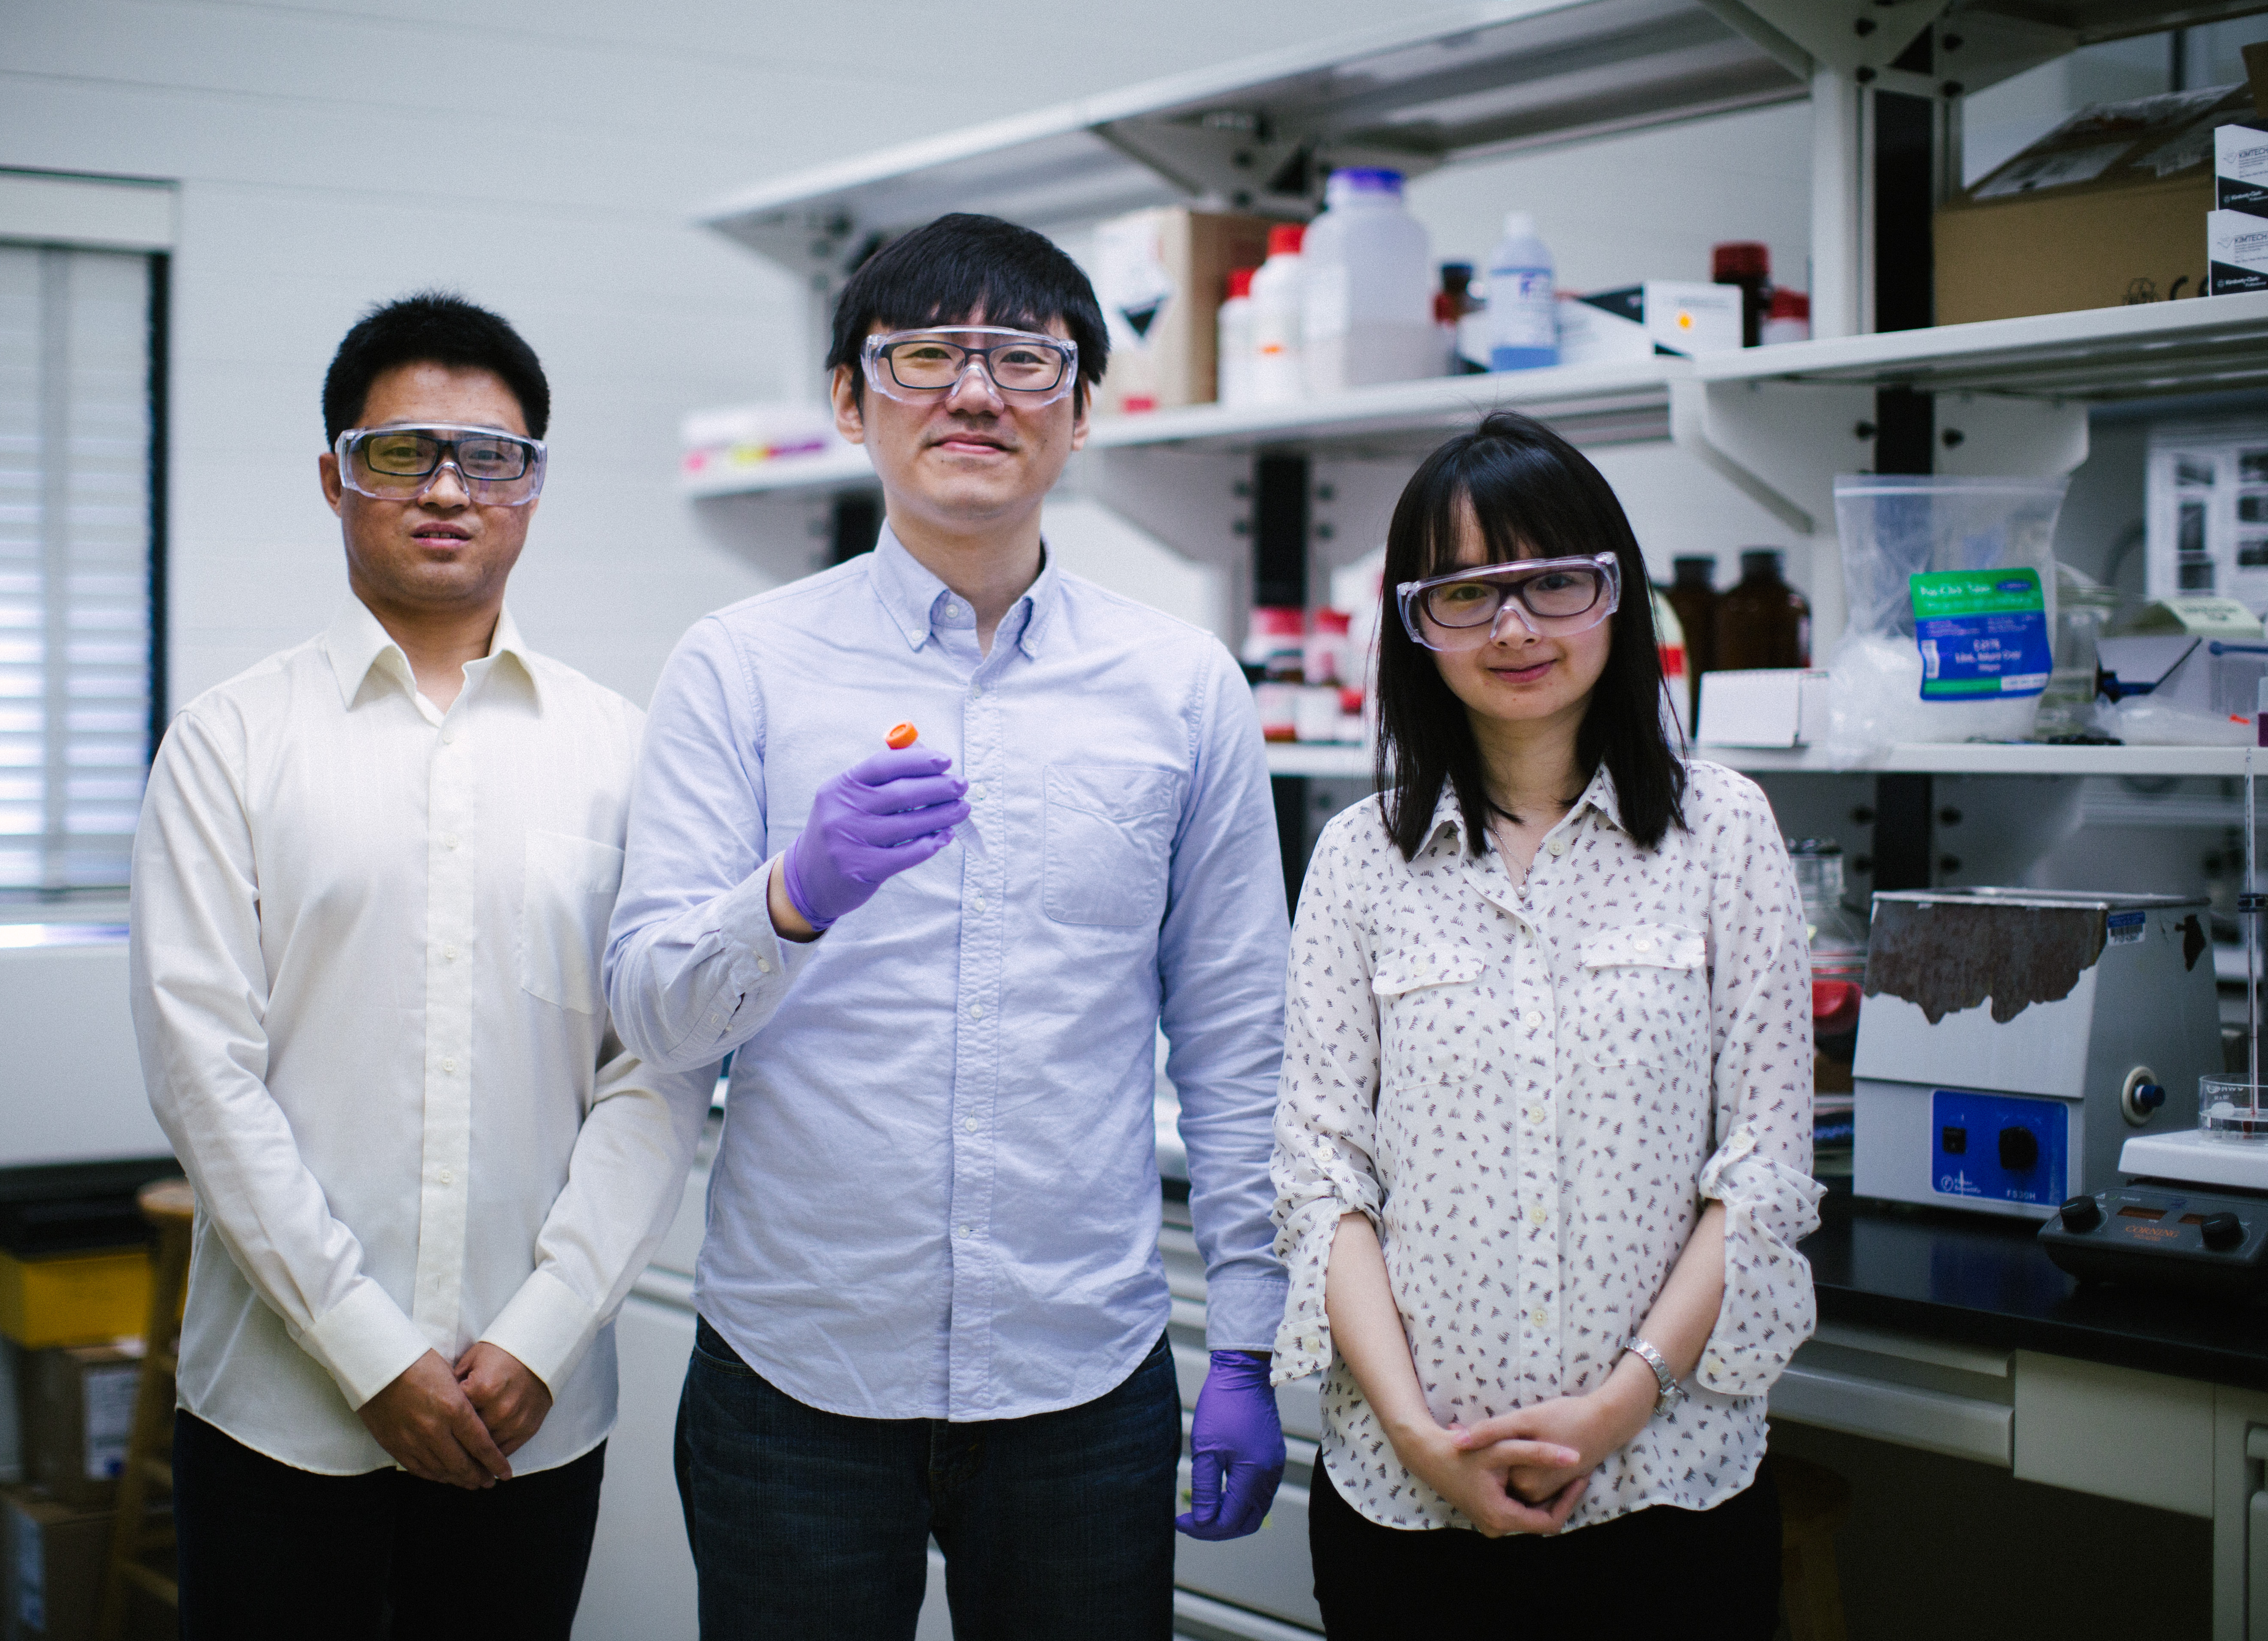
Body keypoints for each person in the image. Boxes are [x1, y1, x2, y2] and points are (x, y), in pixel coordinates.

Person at [606, 212, 1291, 1639]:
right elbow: (650, 1008)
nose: (976, 394)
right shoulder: (740, 669)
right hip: (797, 1371)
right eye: (925, 356)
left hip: (1082, 1379)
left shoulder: (1180, 686)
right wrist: (794, 898)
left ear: (1083, 411)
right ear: (850, 401)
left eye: (1026, 360)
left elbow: (1240, 1042)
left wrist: (1248, 1338)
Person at [130, 292, 714, 1638]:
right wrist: (370, 1351)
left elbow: (657, 1068)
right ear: (334, 478)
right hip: (281, 1410)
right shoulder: (230, 745)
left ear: (534, 488)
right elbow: (201, 1074)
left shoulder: (625, 752)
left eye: (488, 456)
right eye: (402, 453)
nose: (448, 487)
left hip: (533, 1407)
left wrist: (546, 1328)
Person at [1269, 411, 1818, 1637]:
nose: (1515, 626)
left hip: (1668, 1487)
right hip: (1406, 1500)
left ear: (1614, 596)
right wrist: (1421, 1437)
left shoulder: (1723, 833)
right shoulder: (1359, 861)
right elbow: (1322, 1181)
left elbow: (1766, 1174)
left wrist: (1619, 1408)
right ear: (1417, 626)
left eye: (1553, 583)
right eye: (1466, 592)